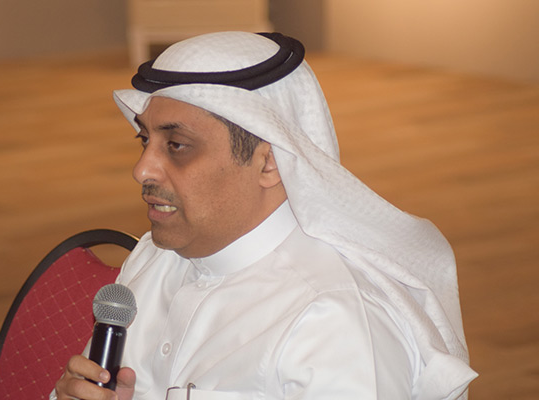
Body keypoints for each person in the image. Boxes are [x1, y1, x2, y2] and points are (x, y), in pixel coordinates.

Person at [52, 32, 477, 400]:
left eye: (176, 146)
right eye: (144, 140)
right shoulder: (154, 259)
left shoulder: (332, 324)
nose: (142, 169)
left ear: (269, 162)